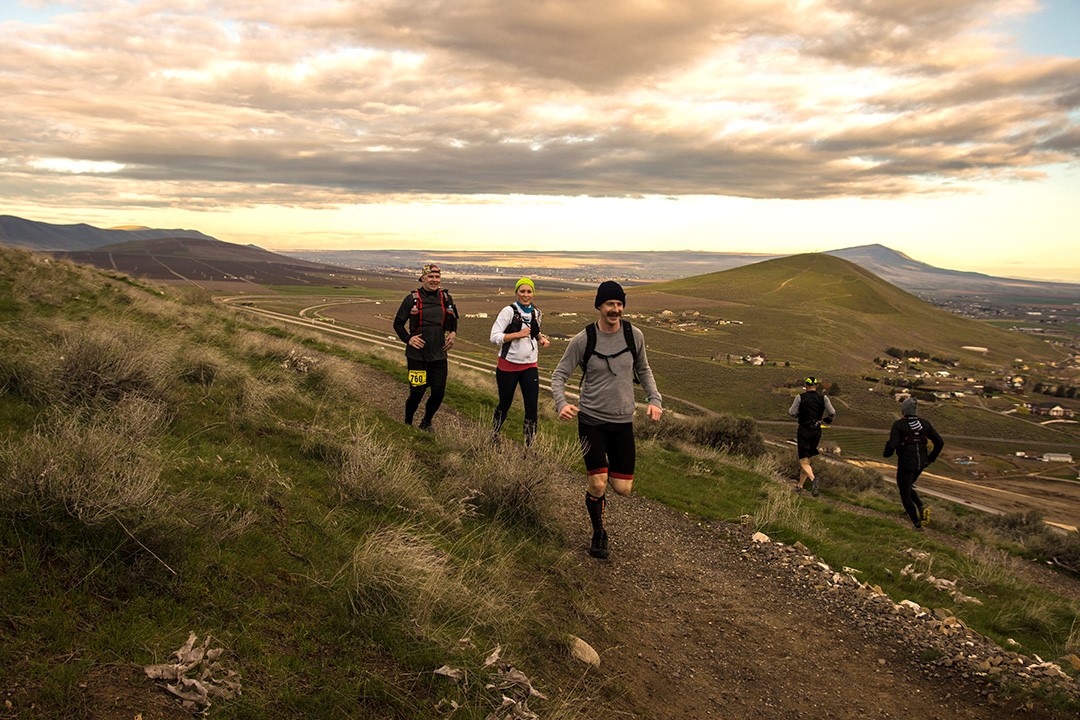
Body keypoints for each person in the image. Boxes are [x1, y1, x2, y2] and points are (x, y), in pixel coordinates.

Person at [550, 280, 663, 560]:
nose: (615, 309)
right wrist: (561, 403)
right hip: (591, 420)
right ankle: (599, 532)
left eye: (619, 304)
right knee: (599, 483)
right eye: (610, 304)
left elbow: (644, 370)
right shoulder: (584, 339)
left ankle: (601, 468)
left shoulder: (633, 335)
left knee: (622, 489)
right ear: (599, 306)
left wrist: (655, 400)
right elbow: (559, 375)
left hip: (623, 421)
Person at [392, 263, 458, 431]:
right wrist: (408, 339)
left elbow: (453, 319)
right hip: (417, 357)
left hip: (439, 355)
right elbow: (398, 324)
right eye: (430, 277)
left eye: (437, 277)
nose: (434, 280)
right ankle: (407, 423)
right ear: (422, 278)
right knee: (417, 392)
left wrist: (453, 332)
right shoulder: (411, 299)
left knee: (438, 393)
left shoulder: (446, 298)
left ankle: (426, 422)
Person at [489, 277, 550, 446]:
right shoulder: (508, 311)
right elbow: (494, 337)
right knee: (505, 403)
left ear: (533, 293)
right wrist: (517, 335)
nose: (526, 294)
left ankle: (529, 446)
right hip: (508, 365)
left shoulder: (536, 312)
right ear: (516, 293)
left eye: (529, 291)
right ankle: (494, 433)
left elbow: (534, 332)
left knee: (531, 408)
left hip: (530, 365)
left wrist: (541, 339)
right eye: (522, 291)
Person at [883, 396, 943, 530]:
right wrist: (931, 458)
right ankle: (920, 506)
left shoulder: (899, 425)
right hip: (921, 463)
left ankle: (917, 524)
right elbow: (940, 442)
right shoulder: (925, 424)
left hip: (906, 463)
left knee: (904, 493)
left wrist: (887, 453)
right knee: (908, 486)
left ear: (904, 410)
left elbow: (892, 444)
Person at [788, 376, 836, 496]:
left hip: (804, 430)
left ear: (806, 386)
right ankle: (800, 486)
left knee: (803, 461)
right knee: (807, 460)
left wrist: (800, 415)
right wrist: (828, 419)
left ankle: (814, 480)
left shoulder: (800, 397)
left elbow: (792, 412)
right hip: (816, 432)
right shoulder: (823, 398)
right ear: (816, 386)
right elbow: (832, 412)